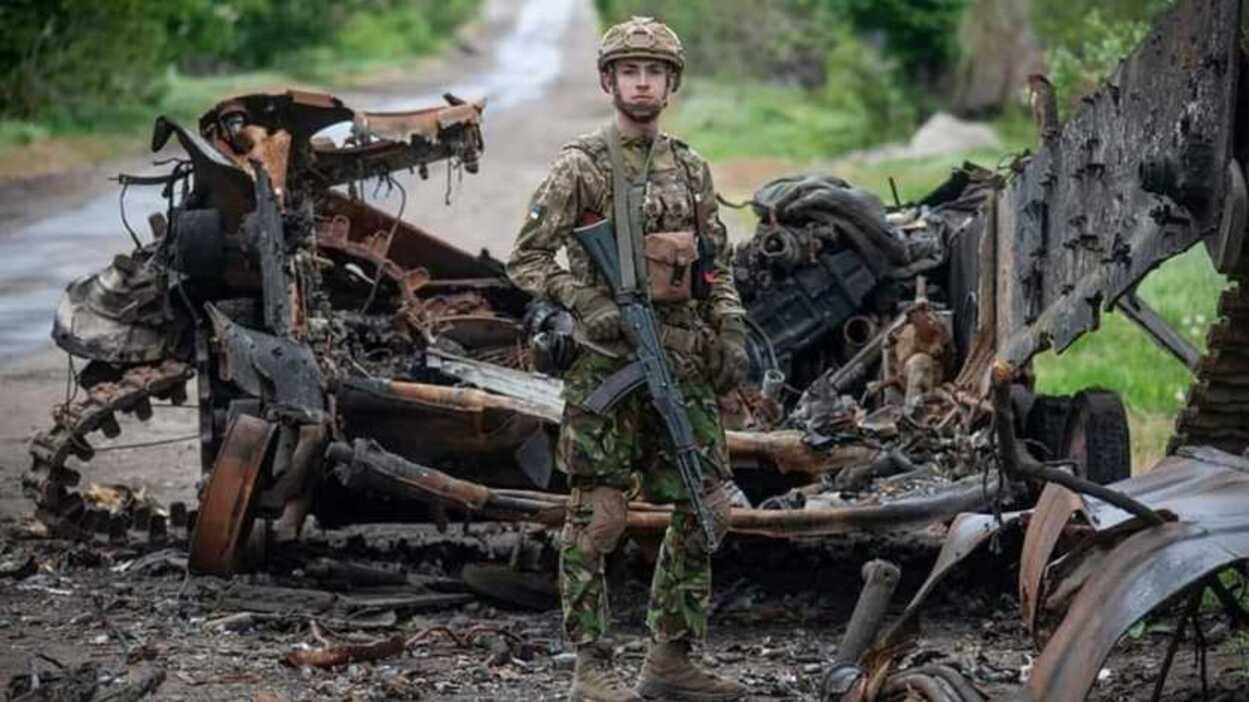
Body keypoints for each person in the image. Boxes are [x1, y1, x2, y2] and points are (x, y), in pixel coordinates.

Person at [507, 15, 748, 702]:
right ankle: (591, 666)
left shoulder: (691, 168)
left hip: (681, 361)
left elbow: (715, 267)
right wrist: (584, 301)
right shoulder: (580, 165)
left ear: (671, 85)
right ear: (608, 82)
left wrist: (729, 329)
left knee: (708, 507)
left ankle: (669, 659)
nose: (642, 83)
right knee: (599, 516)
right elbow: (526, 259)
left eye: (654, 72)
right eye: (629, 72)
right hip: (605, 362)